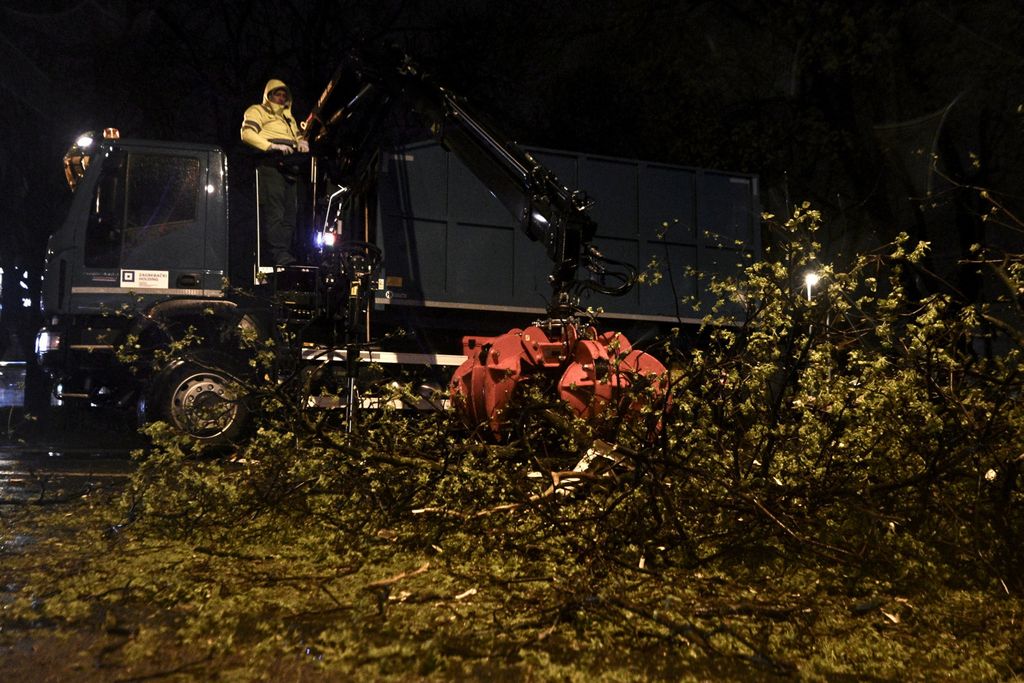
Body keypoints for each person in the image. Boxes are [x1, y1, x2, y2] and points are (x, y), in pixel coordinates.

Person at [240, 79, 309, 267]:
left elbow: (297, 135)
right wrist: (271, 146)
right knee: (275, 212)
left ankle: (284, 252)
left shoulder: (289, 117)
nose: (281, 98)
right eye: (277, 95)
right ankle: (278, 254)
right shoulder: (257, 111)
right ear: (269, 95)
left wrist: (302, 141)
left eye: (283, 95)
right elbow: (247, 134)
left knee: (290, 214)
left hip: (290, 167)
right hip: (271, 165)